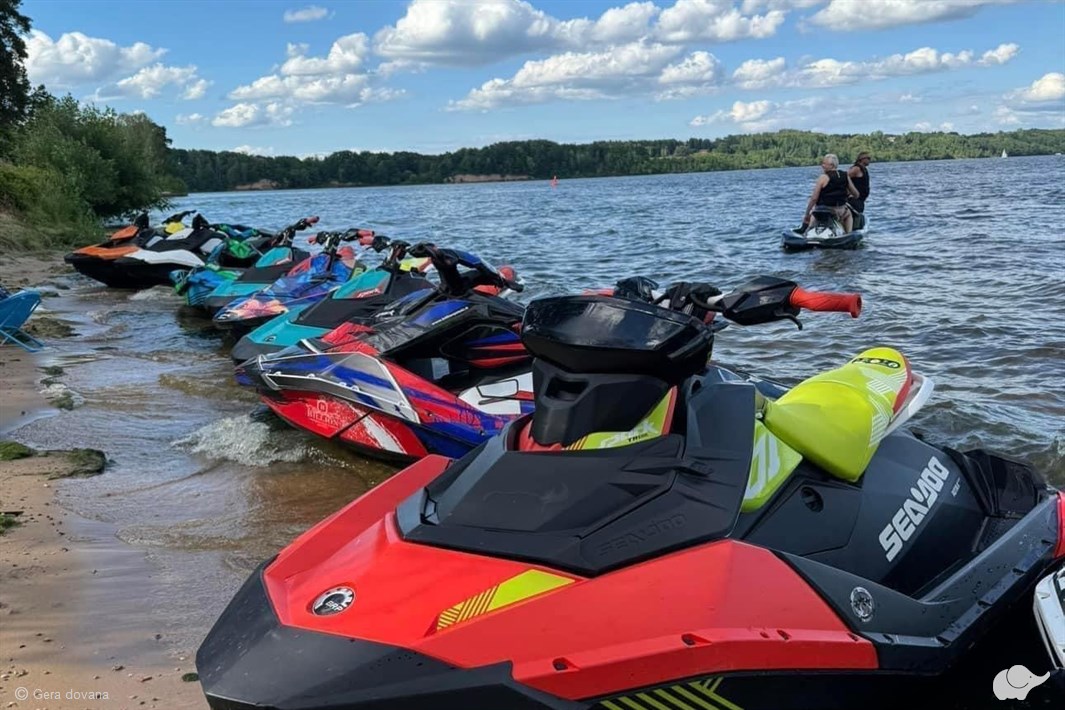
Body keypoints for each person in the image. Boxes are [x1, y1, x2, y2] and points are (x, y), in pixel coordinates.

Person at [797, 153, 860, 234]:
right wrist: (850, 195)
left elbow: (814, 199)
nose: (822, 166)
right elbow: (856, 194)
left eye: (824, 164)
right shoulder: (845, 176)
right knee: (848, 214)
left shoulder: (823, 177)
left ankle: (808, 231)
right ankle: (848, 234)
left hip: (821, 210)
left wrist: (807, 214)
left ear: (831, 165)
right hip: (838, 210)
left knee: (814, 213)